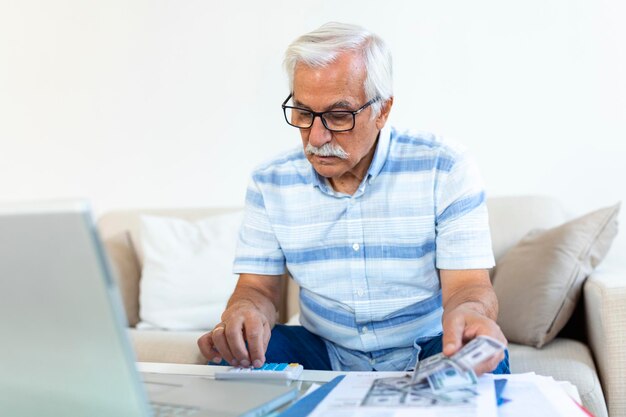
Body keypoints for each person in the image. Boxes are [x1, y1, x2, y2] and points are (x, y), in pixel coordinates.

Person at [198, 22, 509, 374]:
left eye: (338, 116)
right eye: (303, 113)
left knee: (482, 359)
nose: (316, 137)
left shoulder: (445, 167)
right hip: (321, 348)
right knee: (231, 360)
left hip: (428, 345)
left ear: (383, 110)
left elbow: (468, 286)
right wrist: (245, 312)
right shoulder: (270, 182)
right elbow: (257, 288)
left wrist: (470, 314)